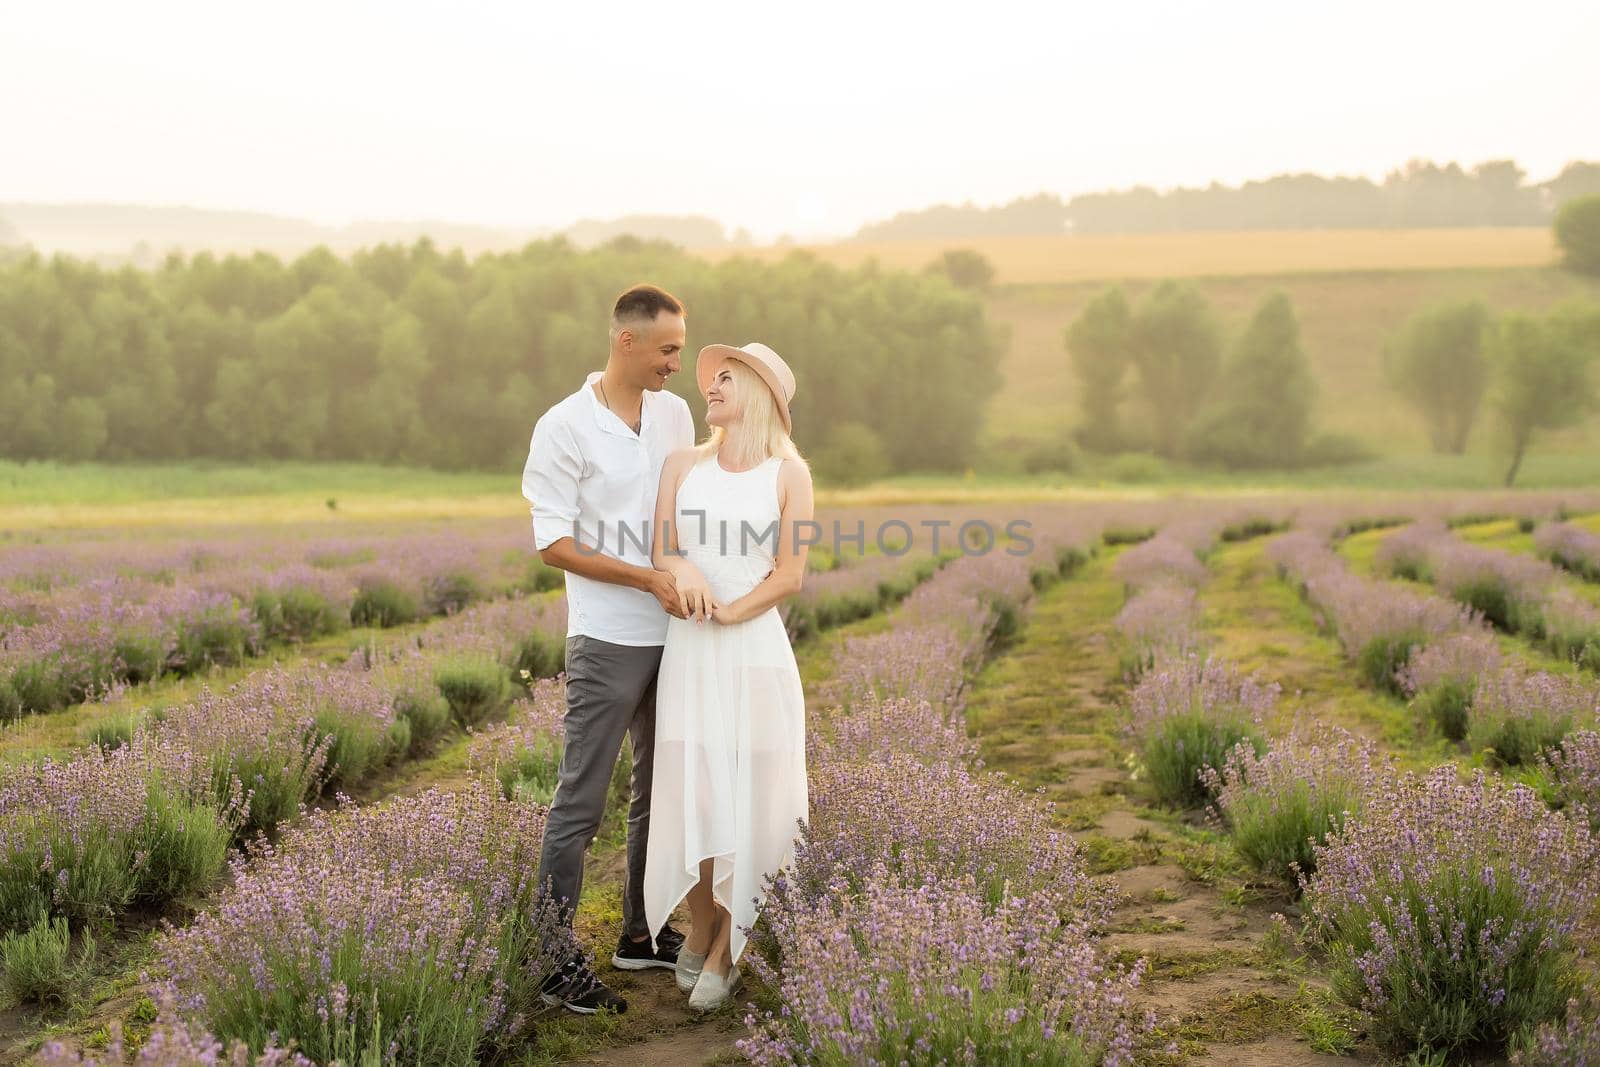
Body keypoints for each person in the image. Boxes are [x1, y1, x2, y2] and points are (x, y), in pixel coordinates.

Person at [521, 283, 695, 1015]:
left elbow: (694, 507)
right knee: (581, 800)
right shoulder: (563, 426)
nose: (675, 365)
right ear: (627, 341)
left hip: (679, 632)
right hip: (607, 637)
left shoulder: (676, 414)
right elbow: (552, 543)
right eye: (667, 350)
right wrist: (645, 578)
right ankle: (552, 957)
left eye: (680, 350)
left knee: (661, 793)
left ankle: (641, 933)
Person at [644, 341, 815, 1012]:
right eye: (710, 378)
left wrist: (729, 611)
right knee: (694, 788)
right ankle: (706, 919)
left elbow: (789, 573)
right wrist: (685, 575)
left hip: (752, 650)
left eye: (725, 378)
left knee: (749, 790)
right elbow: (663, 549)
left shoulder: (788, 474)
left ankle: (727, 945)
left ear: (760, 395)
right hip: (688, 650)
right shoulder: (682, 464)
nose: (709, 386)